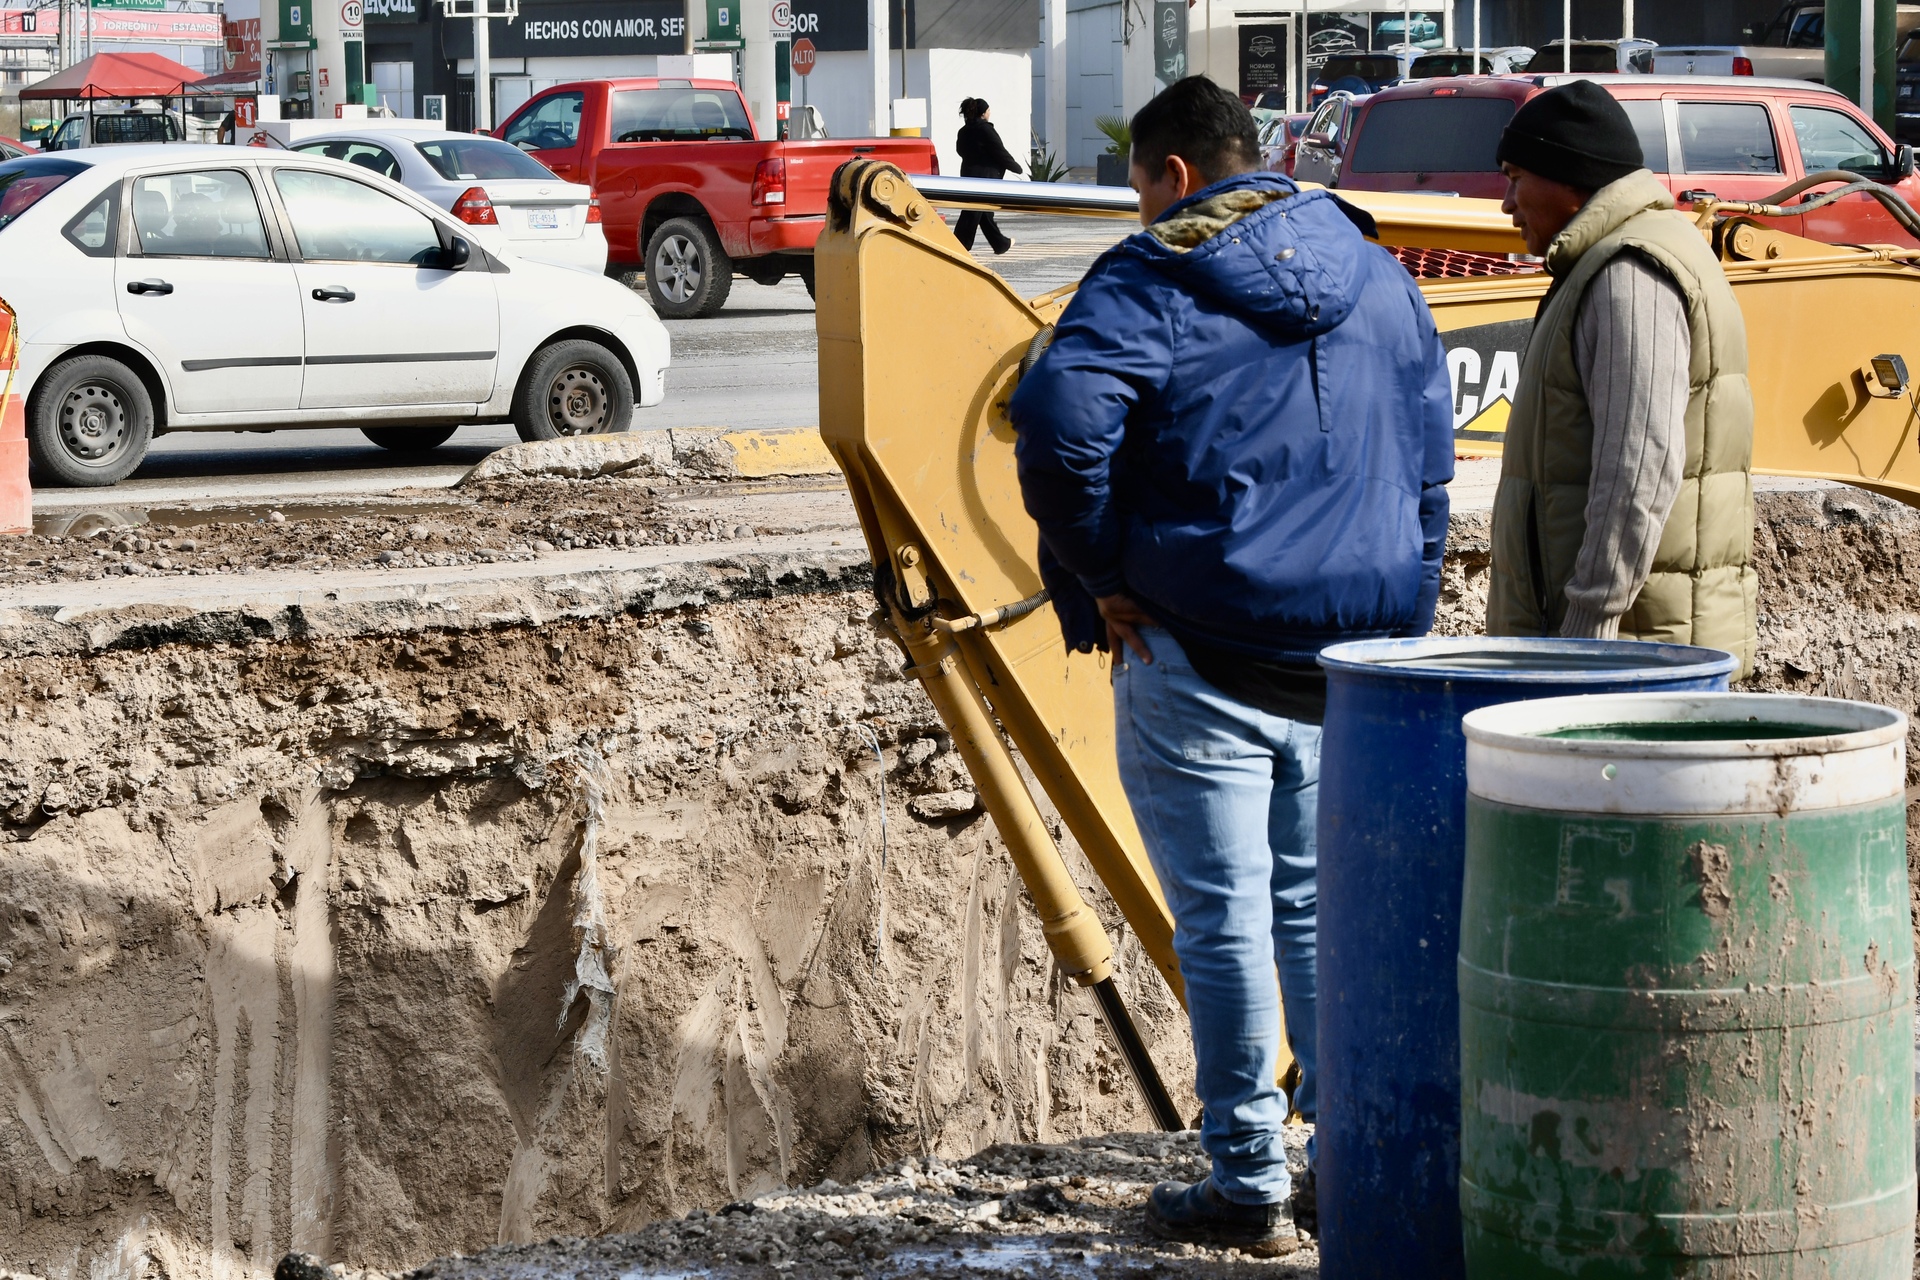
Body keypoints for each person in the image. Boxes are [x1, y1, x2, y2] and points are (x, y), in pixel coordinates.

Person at [1007, 75, 1454, 1254]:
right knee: (1315, 916)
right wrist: (1402, 611)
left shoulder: (1151, 277)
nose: (1139, 208)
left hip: (1198, 652)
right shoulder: (1379, 269)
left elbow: (1054, 427)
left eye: (1140, 186)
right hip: (1352, 662)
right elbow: (1428, 458)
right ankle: (1340, 1159)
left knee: (1221, 923)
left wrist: (1099, 571)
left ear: (1176, 176)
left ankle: (1249, 1177)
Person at [1488, 80, 1756, 672]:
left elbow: (1640, 466)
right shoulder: (1613, 260)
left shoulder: (1630, 274)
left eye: (1515, 177)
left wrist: (1587, 629)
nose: (1506, 203)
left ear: (1570, 177)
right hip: (1624, 647)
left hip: (1628, 658)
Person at [954, 97, 1020, 254]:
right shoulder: (985, 130)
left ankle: (1000, 244)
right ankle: (958, 246)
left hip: (968, 174)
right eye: (988, 110)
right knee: (973, 212)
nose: (990, 113)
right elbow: (999, 151)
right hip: (985, 177)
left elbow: (960, 151)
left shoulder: (963, 131)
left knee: (982, 212)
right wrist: (1015, 167)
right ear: (983, 113)